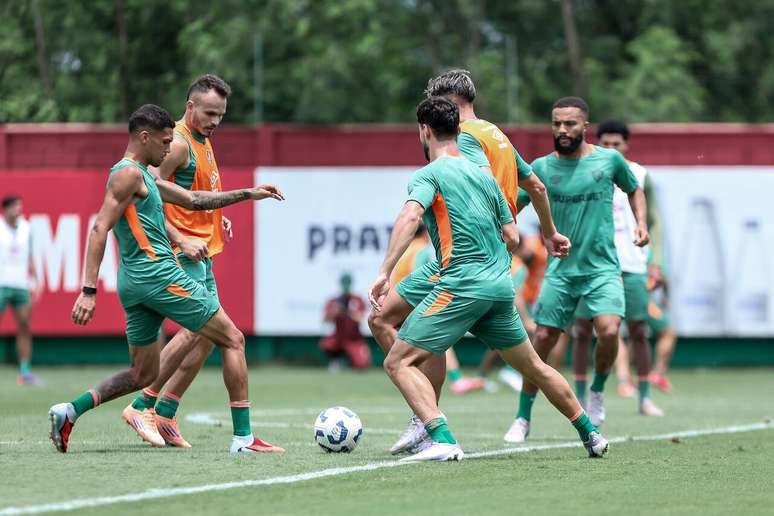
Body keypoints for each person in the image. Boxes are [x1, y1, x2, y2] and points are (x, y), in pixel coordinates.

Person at [369, 96, 607, 462]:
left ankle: (439, 434)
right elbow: (511, 235)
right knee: (536, 368)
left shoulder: (428, 174)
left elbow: (410, 217)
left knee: (397, 361)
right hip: (499, 288)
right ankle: (590, 434)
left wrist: (384, 271)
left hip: (460, 284)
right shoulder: (483, 176)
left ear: (425, 130)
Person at [48, 104, 286, 454]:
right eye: (163, 141)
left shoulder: (144, 176)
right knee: (233, 338)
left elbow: (194, 200)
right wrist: (88, 290)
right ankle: (243, 439)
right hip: (159, 275)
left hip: (136, 284)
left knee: (142, 374)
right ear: (143, 138)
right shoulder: (126, 174)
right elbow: (100, 227)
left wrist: (247, 194)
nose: (167, 148)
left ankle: (70, 411)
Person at [508, 97, 649, 443]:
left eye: (569, 124)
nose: (562, 130)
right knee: (541, 341)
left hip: (602, 267)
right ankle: (523, 415)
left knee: (610, 330)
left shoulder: (609, 161)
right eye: (556, 123)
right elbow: (513, 205)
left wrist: (641, 224)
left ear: (584, 127)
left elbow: (635, 190)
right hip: (561, 271)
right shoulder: (540, 168)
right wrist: (506, 231)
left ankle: (598, 391)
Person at [123, 74, 240, 448]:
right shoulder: (175, 142)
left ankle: (165, 412)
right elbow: (149, 186)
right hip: (180, 250)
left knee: (206, 338)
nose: (215, 121)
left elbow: (190, 190)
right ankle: (142, 404)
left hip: (204, 248)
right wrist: (181, 237)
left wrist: (213, 217)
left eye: (220, 114)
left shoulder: (202, 140)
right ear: (190, 106)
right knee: (198, 327)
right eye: (209, 113)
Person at [571, 120, 664, 416]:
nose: (611, 149)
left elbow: (654, 222)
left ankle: (645, 397)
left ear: (626, 145)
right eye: (606, 144)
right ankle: (582, 397)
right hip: (593, 264)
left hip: (632, 262)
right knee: (583, 330)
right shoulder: (583, 170)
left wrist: (655, 262)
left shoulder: (639, 175)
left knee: (638, 330)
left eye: (617, 144)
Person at [0, 195, 42, 385]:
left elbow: (30, 256)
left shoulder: (26, 228)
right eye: (15, 207)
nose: (19, 210)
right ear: (6, 209)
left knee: (25, 326)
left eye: (20, 207)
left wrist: (37, 280)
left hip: (20, 285)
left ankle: (25, 371)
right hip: (1, 283)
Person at [320, 273, 371, 370]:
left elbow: (360, 319)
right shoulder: (334, 300)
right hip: (338, 337)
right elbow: (324, 320)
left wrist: (347, 311)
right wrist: (334, 312)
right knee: (326, 344)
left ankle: (351, 361)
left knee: (362, 364)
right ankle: (335, 359)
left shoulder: (357, 300)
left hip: (354, 339)